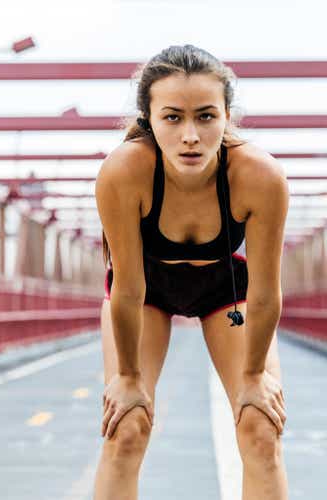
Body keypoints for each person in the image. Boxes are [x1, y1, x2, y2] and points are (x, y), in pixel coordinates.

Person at [94, 44, 289, 500]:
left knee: (261, 429)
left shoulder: (260, 177)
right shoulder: (123, 173)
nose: (190, 136)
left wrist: (255, 375)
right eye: (172, 117)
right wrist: (126, 378)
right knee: (127, 429)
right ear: (149, 119)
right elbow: (125, 289)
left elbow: (264, 293)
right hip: (145, 288)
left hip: (227, 289)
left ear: (226, 116)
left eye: (205, 117)